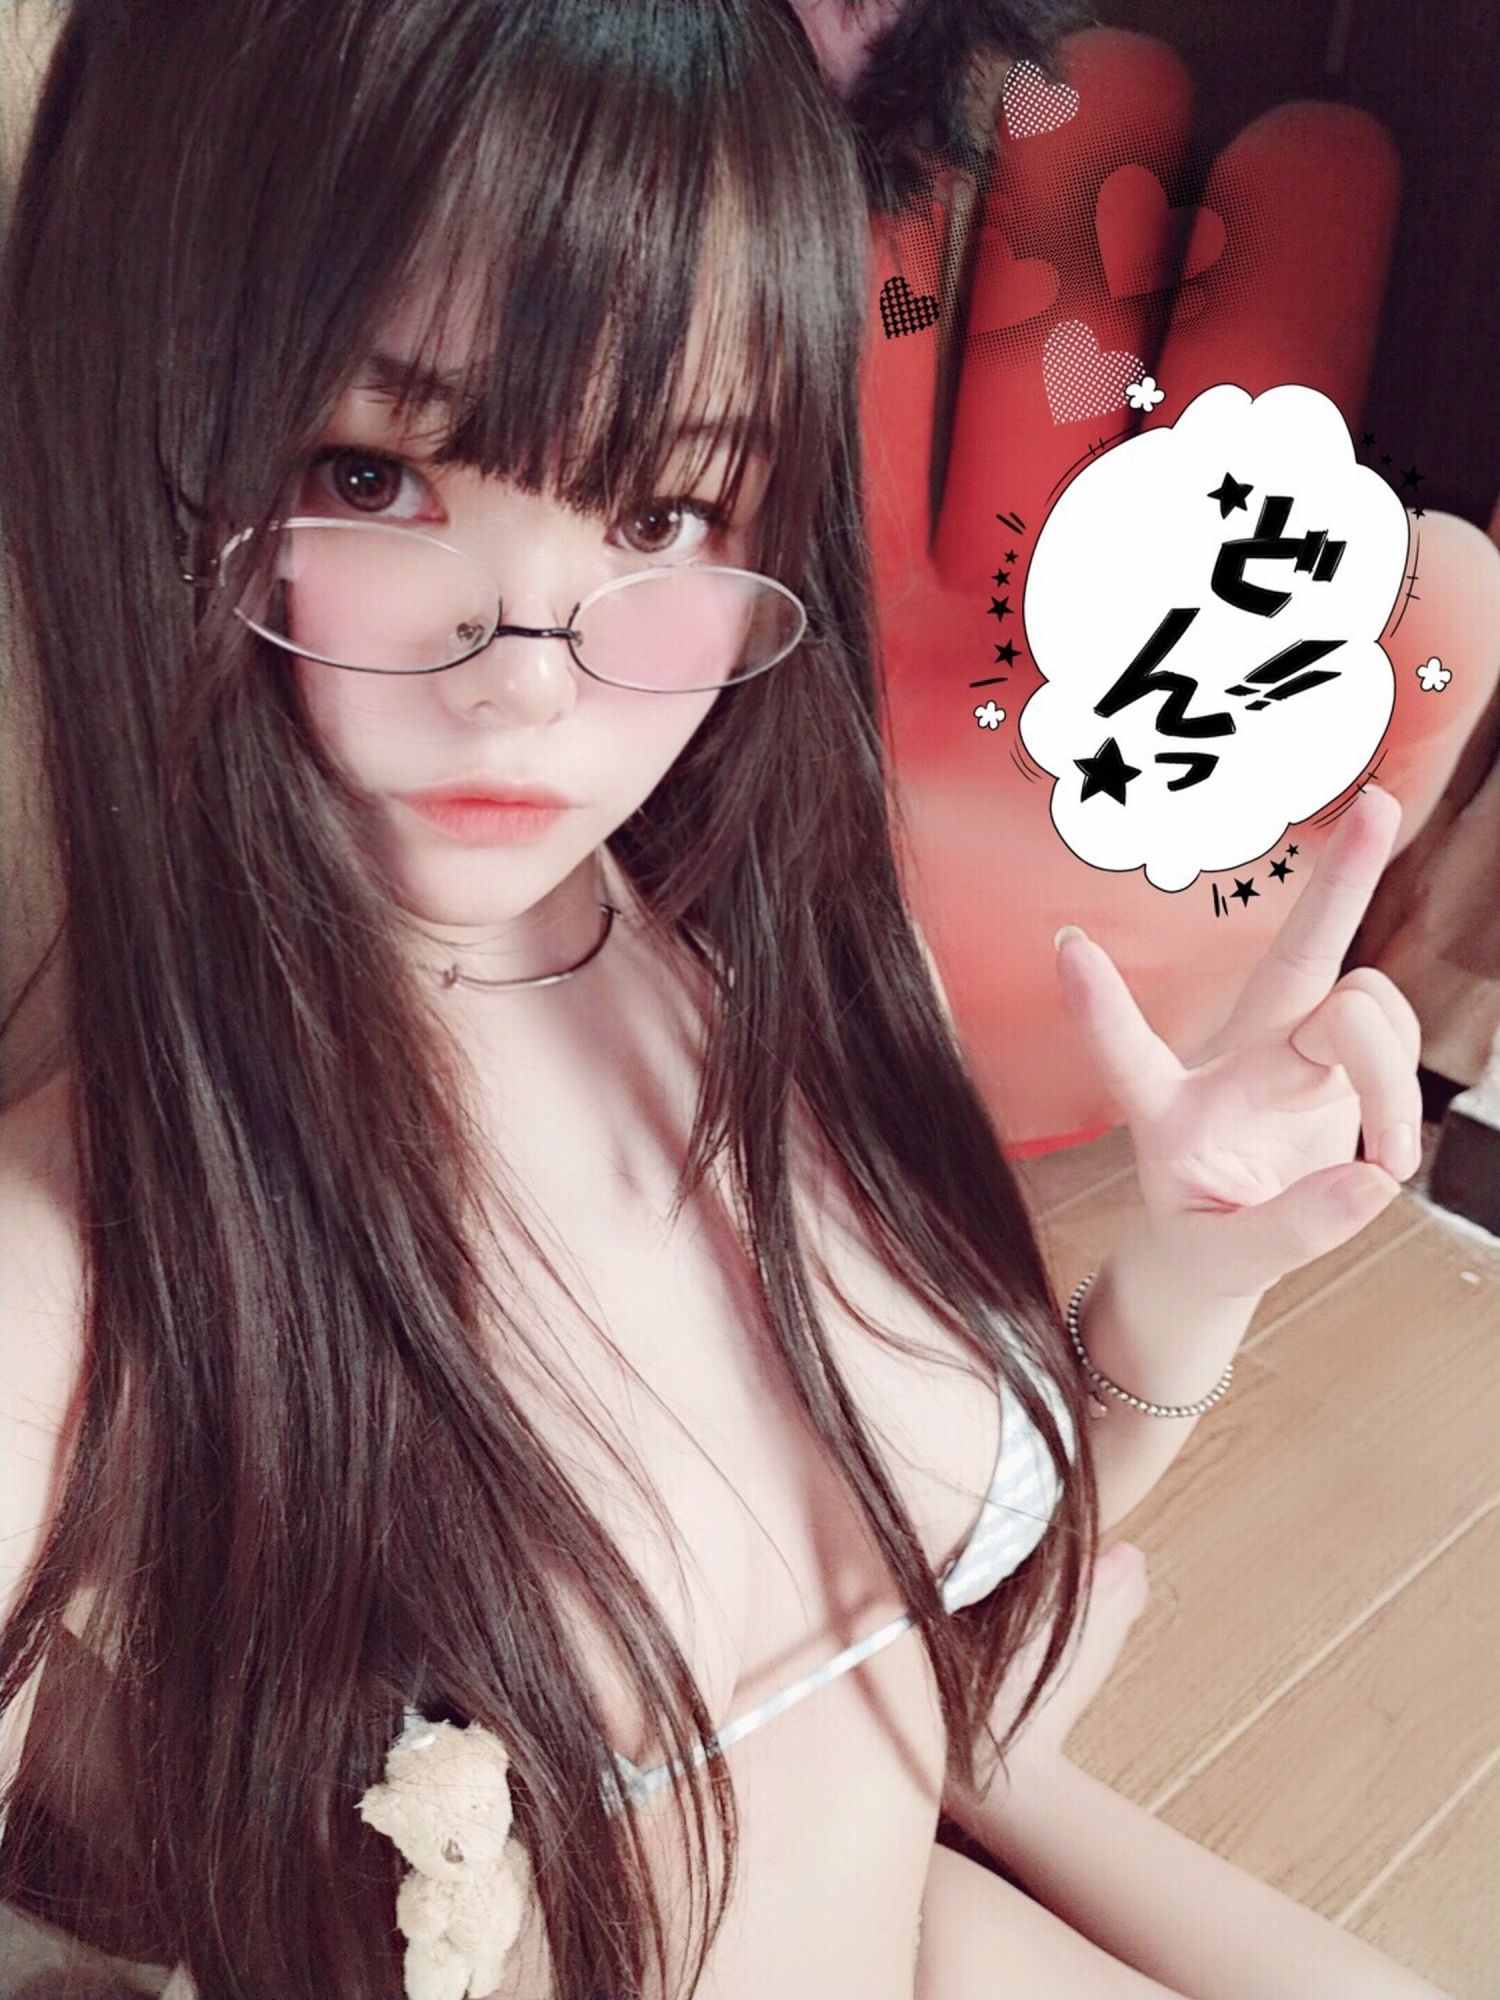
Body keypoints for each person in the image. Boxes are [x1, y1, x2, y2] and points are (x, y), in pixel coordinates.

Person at [0, 3, 1450, 1998]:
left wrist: (1197, 1272)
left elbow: (926, 1613)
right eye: (374, 471)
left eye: (668, 508)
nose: (533, 678)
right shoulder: (74, 1275)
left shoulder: (764, 957)